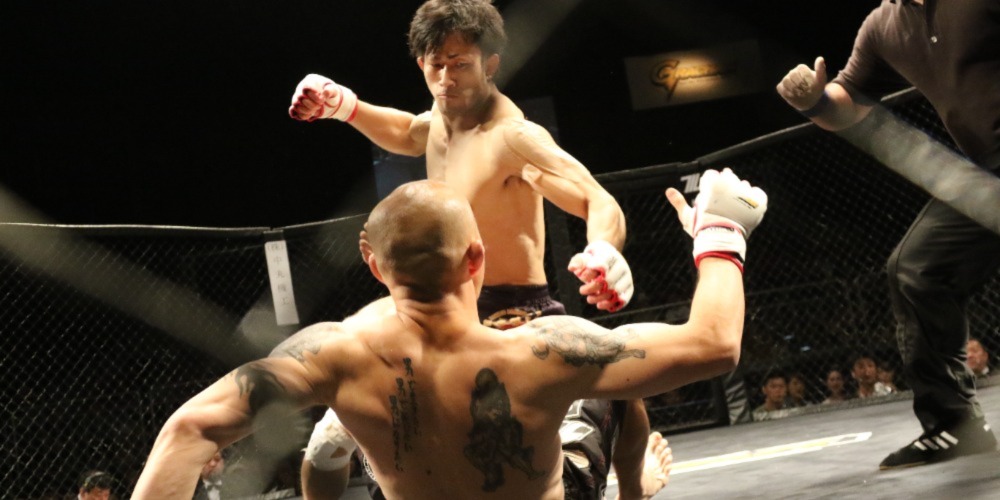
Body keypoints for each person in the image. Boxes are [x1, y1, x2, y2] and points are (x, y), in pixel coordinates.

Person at [133, 172, 768, 499]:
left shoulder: (332, 352)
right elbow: (713, 345)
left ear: (373, 264)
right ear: (476, 258)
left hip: (395, 459)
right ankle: (634, 492)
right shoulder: (544, 349)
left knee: (333, 433)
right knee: (615, 395)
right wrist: (721, 233)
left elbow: (188, 430)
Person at [288, 1, 657, 498]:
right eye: (435, 64)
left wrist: (604, 251)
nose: (446, 78)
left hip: (514, 314)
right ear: (421, 63)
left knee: (621, 385)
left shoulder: (511, 136)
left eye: (460, 63)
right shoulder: (439, 123)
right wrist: (346, 107)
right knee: (327, 441)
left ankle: (634, 490)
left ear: (490, 63)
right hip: (436, 313)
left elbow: (596, 198)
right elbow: (408, 132)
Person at [777, 0, 1000, 469]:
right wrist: (811, 100)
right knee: (916, 268)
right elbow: (845, 104)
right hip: (984, 171)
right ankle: (955, 424)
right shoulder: (883, 27)